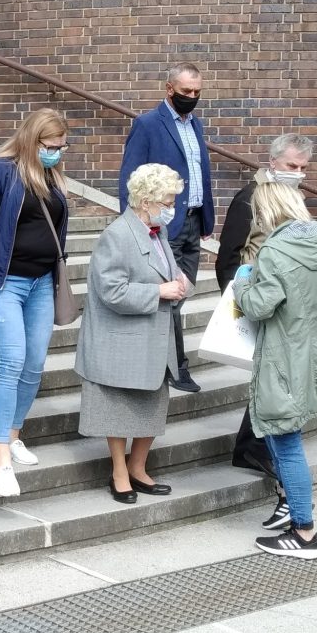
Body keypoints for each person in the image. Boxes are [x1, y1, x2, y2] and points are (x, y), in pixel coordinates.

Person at [0, 108, 69, 497]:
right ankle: (0, 457)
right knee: (10, 361)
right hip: (2, 283)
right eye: (51, 146)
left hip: (41, 283)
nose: (56, 153)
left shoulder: (51, 177)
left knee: (34, 364)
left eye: (62, 146)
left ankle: (15, 433)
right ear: (31, 140)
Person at [233, 182, 317, 559]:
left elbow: (259, 306)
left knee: (286, 442)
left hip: (283, 356)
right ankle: (295, 511)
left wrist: (242, 282)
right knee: (281, 435)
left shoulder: (274, 250)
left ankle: (304, 532)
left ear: (267, 210)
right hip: (312, 352)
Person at [76, 164, 187, 503]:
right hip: (123, 340)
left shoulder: (157, 230)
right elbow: (111, 290)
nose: (172, 209)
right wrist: (159, 292)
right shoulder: (117, 234)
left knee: (152, 406)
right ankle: (119, 472)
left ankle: (138, 467)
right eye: (167, 202)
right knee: (117, 409)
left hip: (152, 337)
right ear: (145, 201)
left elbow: (165, 271)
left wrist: (179, 284)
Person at [215, 133, 313, 480]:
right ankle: (253, 448)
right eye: (291, 166)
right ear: (273, 162)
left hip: (282, 301)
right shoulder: (250, 197)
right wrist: (236, 304)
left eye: (302, 167)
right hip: (256, 298)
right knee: (268, 375)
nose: (297, 173)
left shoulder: (293, 196)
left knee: (272, 374)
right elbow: (228, 256)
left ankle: (252, 447)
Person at [119, 62, 214, 393]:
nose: (192, 96)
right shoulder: (147, 124)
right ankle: (177, 367)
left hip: (193, 223)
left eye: (197, 91)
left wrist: (207, 218)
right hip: (162, 224)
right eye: (186, 91)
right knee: (170, 295)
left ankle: (160, 355)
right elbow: (130, 177)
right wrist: (136, 227)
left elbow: (200, 172)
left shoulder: (196, 124)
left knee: (181, 294)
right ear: (169, 89)